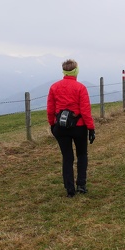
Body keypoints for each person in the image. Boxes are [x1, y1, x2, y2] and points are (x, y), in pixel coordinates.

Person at [47, 59, 96, 197]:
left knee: (67, 157)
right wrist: (91, 128)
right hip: (79, 127)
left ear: (64, 71)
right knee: (81, 155)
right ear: (76, 71)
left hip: (60, 127)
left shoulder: (54, 87)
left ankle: (69, 189)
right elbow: (85, 111)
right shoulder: (80, 88)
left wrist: (52, 124)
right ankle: (81, 184)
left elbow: (50, 109)